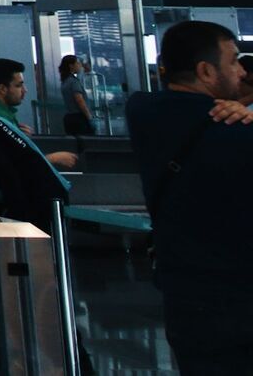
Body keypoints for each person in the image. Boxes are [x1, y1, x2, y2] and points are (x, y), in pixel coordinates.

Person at [126, 20, 253, 374]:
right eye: (234, 61)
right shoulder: (238, 137)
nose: (242, 71)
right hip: (240, 302)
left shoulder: (143, 112)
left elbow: (190, 114)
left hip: (185, 300)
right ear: (206, 70)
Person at [0, 58, 75, 168]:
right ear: (3, 89)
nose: (25, 90)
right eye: (19, 85)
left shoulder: (1, 114)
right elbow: (12, 163)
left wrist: (19, 138)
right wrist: (53, 158)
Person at [58, 55, 93, 137]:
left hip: (69, 118)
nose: (80, 65)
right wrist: (89, 116)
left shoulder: (65, 81)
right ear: (71, 66)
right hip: (79, 119)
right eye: (77, 63)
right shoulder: (74, 82)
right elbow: (79, 100)